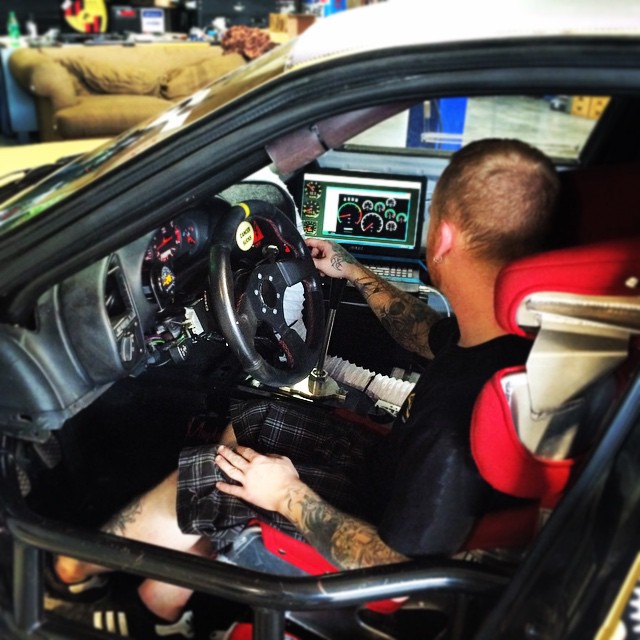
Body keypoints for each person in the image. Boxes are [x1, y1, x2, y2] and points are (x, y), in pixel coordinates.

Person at [46, 138, 560, 638]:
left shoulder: (454, 424)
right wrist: (352, 270)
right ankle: (159, 606)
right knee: (252, 418)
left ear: (443, 237)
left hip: (378, 552)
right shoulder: (500, 336)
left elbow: (394, 564)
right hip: (387, 476)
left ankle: (68, 577)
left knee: (207, 477)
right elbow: (426, 334)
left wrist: (286, 495)